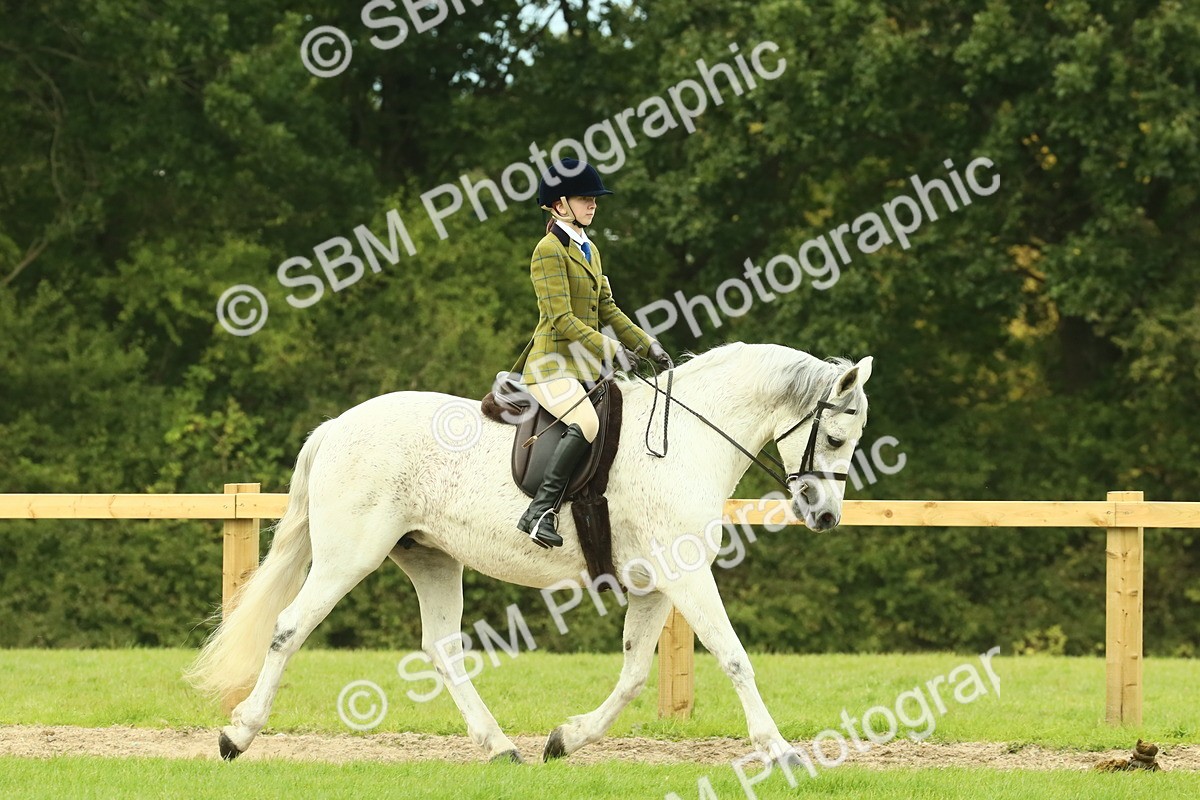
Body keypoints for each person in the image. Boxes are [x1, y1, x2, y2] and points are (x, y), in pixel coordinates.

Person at [509, 158, 671, 548]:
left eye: (594, 199)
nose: (593, 205)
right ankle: (538, 512)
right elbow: (561, 318)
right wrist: (611, 348)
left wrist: (646, 344)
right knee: (588, 423)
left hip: (583, 366)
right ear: (559, 204)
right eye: (585, 198)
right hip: (551, 367)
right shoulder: (548, 251)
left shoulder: (589, 249)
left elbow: (608, 307)